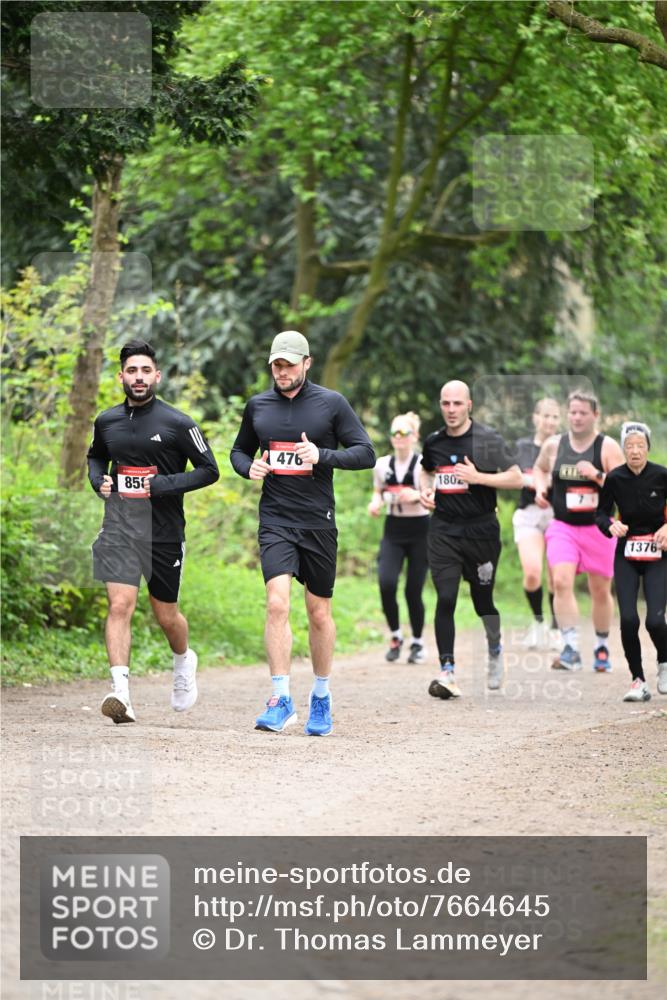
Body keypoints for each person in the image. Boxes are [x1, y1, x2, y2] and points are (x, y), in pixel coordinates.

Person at [230, 330, 375, 736]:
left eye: (289, 364)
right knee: (277, 604)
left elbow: (365, 452)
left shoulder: (331, 404)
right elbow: (239, 451)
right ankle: (279, 698)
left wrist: (322, 455)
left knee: (318, 612)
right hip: (275, 519)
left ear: (307, 364)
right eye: (276, 364)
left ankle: (322, 696)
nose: (282, 371)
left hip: (318, 522)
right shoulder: (258, 406)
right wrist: (249, 467)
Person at [88, 339, 220, 724]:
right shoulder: (106, 421)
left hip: (163, 531)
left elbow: (209, 470)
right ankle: (121, 693)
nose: (139, 377)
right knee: (119, 605)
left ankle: (183, 660)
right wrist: (100, 481)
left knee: (166, 616)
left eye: (146, 371)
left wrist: (162, 485)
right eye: (132, 371)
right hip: (118, 527)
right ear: (121, 377)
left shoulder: (178, 423)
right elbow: (96, 456)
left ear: (157, 376)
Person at [420, 380, 522, 699]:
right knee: (446, 597)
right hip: (444, 530)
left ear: (469, 406)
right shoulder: (434, 442)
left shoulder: (487, 441)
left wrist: (479, 478)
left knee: (483, 602)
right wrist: (426, 489)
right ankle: (447, 671)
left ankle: (494, 648)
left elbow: (517, 477)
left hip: (481, 532)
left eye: (457, 404)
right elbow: (426, 470)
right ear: (441, 405)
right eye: (446, 404)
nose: (451, 410)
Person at [533, 390, 624, 672]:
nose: (577, 417)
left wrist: (597, 476)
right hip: (563, 526)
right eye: (572, 412)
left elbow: (626, 486)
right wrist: (539, 487)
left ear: (595, 415)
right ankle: (570, 647)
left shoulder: (606, 447)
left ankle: (601, 646)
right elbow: (539, 468)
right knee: (560, 582)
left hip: (599, 528)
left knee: (600, 590)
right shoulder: (554, 445)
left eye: (583, 412)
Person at [595, 422, 667, 702]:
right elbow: (600, 514)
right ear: (623, 449)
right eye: (629, 446)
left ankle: (664, 662)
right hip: (626, 553)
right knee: (627, 619)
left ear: (648, 447)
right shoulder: (614, 478)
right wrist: (610, 526)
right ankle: (638, 680)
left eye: (640, 445)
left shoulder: (661, 475)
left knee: (656, 621)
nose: (635, 451)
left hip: (657, 553)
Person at [368, 411, 430, 664]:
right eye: (394, 432)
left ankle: (417, 642)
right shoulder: (382, 464)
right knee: (386, 583)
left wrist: (416, 496)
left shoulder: (423, 464)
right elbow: (377, 492)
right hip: (393, 529)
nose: (398, 437)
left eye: (404, 432)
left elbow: (432, 494)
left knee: (413, 590)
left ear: (414, 436)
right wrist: (374, 504)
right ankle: (395, 635)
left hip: (420, 530)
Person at [512, 398, 561, 649]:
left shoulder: (565, 447)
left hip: (557, 516)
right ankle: (538, 622)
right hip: (529, 513)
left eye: (554, 417)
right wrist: (537, 483)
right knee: (532, 573)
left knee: (555, 577)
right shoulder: (522, 446)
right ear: (535, 418)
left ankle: (555, 628)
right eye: (546, 416)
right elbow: (516, 476)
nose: (550, 421)